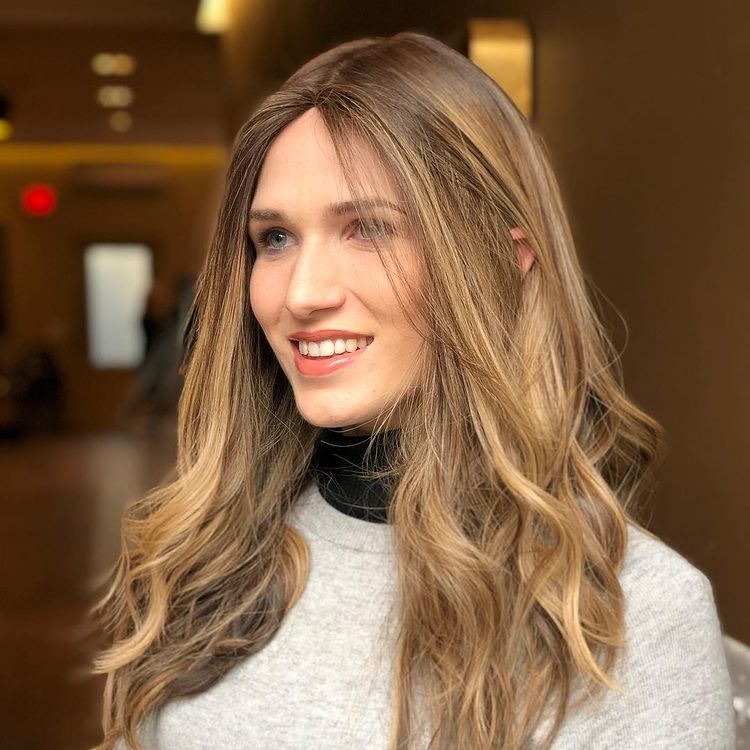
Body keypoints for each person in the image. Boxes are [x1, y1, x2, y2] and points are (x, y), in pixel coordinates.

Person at [90, 31, 735, 750]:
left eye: (367, 228)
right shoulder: (199, 559)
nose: (301, 293)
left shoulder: (636, 616)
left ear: (504, 259)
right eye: (275, 239)